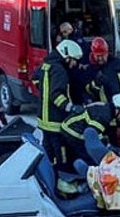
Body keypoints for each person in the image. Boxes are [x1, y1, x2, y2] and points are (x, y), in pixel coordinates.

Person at [31, 39, 83, 170]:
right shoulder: (60, 71)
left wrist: (44, 90)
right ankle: (63, 178)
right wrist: (71, 108)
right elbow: (57, 96)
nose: (74, 64)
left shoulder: (46, 64)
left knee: (47, 151)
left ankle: (50, 175)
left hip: (43, 120)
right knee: (61, 154)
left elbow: (35, 78)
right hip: (55, 121)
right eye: (74, 60)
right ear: (66, 56)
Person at [60, 93, 120, 170]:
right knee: (90, 158)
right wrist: (115, 150)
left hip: (72, 127)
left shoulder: (107, 108)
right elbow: (93, 137)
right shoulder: (104, 116)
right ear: (118, 109)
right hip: (73, 132)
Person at [85, 37, 120, 103]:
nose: (100, 58)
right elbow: (87, 91)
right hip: (105, 107)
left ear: (107, 53)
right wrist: (96, 83)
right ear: (93, 54)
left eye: (103, 55)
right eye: (98, 56)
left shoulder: (118, 64)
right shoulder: (90, 68)